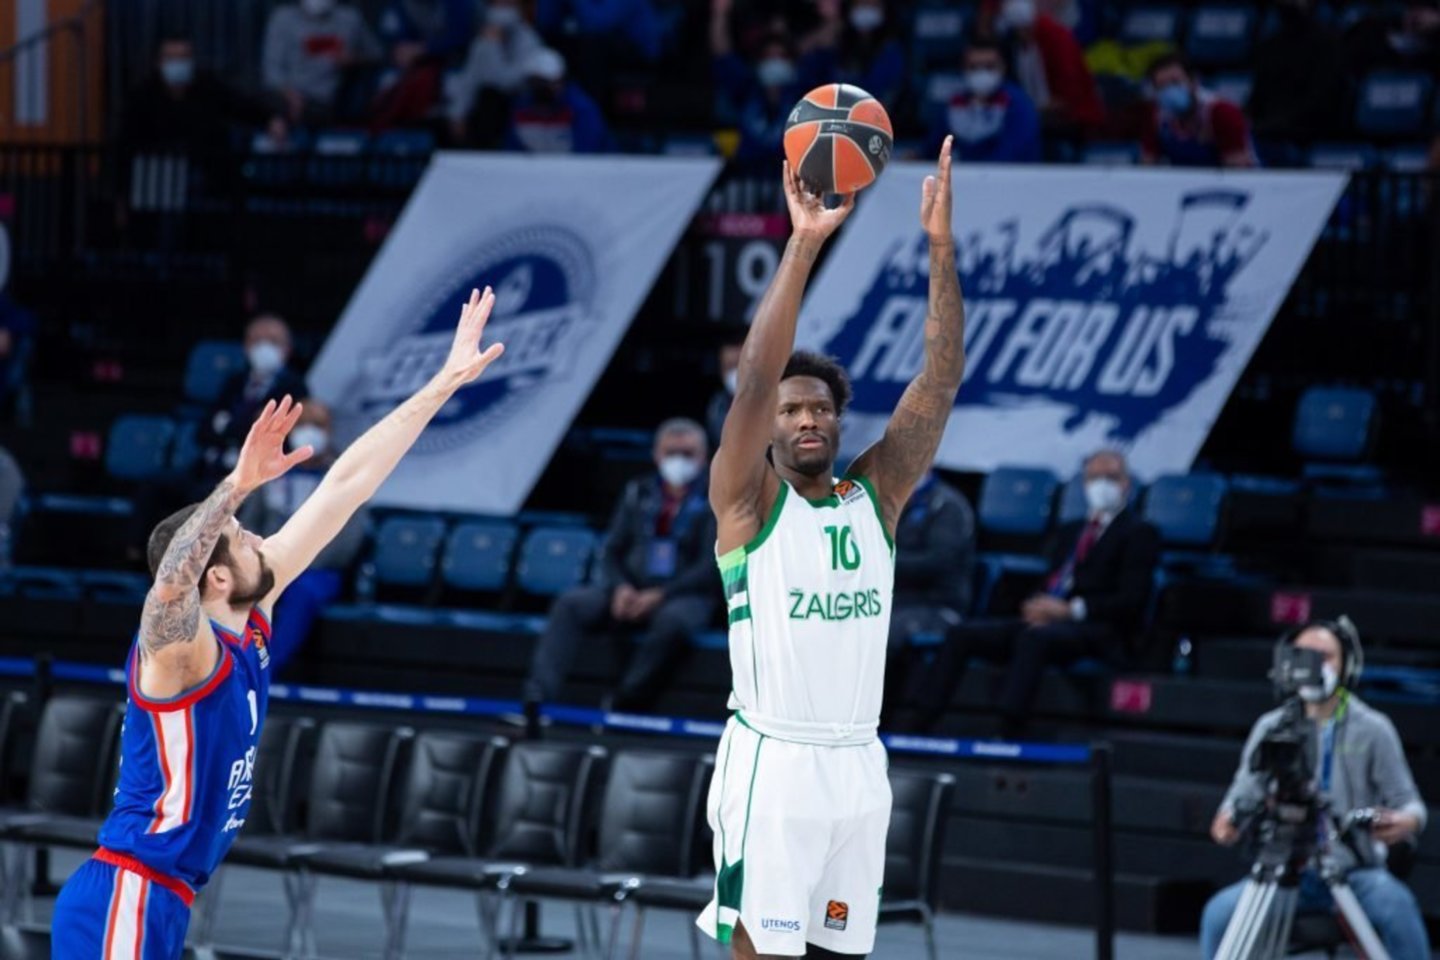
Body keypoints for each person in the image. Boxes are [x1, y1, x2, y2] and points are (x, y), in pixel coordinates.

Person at [50, 288, 505, 958]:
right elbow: (170, 583)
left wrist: (443, 383)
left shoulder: (252, 610)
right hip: (127, 891)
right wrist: (235, 486)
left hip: (164, 897)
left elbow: (345, 486)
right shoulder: (178, 653)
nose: (263, 538)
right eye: (244, 536)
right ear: (217, 577)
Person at [697, 137, 965, 958]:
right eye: (790, 411)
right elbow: (754, 378)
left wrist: (940, 249)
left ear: (839, 423)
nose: (806, 417)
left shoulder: (874, 496)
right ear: (769, 429)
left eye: (819, 408)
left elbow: (940, 382)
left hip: (857, 765)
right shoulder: (747, 502)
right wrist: (804, 243)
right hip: (774, 764)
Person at [1199, 619, 1430, 960]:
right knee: (1218, 916)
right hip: (1285, 872)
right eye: (1304, 656)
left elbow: (1411, 804)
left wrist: (1407, 821)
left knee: (1399, 909)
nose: (1314, 666)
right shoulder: (1272, 728)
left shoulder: (1373, 728)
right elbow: (1240, 796)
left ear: (1347, 664)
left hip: (1353, 872)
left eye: (1325, 656)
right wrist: (1227, 820)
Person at [893, 450, 1159, 735]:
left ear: (1126, 484)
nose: (1101, 485)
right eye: (1094, 478)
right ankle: (919, 723)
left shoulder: (1140, 533)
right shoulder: (1071, 531)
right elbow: (1053, 580)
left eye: (1111, 477)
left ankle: (1006, 729)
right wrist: (1037, 604)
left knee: (1033, 638)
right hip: (1051, 620)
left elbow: (1131, 600)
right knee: (963, 634)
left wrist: (1072, 610)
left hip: (1097, 627)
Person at [523, 419, 717, 712]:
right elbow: (611, 550)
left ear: (704, 457)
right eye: (671, 452)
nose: (679, 460)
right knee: (571, 604)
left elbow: (711, 564)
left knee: (674, 622)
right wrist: (621, 587)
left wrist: (661, 595)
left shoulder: (715, 498)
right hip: (630, 588)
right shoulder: (638, 492)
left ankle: (625, 702)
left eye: (687, 454)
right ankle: (537, 695)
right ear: (656, 455)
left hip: (682, 594)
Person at [235, 400, 365, 675]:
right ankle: (224, 662)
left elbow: (348, 540)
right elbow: (247, 523)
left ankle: (264, 671)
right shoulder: (270, 474)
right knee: (233, 585)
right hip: (266, 563)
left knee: (301, 593)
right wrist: (258, 558)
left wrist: (296, 562)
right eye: (302, 425)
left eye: (316, 425)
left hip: (317, 570)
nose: (309, 432)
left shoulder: (344, 477)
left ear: (329, 431)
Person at [120, 36, 286, 159]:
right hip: (160, 173)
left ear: (192, 60)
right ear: (159, 62)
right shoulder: (142, 97)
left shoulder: (207, 87)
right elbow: (126, 143)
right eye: (171, 58)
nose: (177, 63)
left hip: (207, 173)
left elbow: (240, 105)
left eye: (183, 57)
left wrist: (269, 119)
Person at [198, 315, 309, 481]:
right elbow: (204, 431)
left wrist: (229, 425)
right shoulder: (234, 382)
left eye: (273, 341)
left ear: (287, 349)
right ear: (246, 347)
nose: (264, 347)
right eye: (257, 341)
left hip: (263, 475)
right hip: (218, 469)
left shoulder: (295, 387)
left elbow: (285, 439)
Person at [988, 0, 1103, 138]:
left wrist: (1038, 107)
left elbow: (1072, 93)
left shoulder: (1057, 39)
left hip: (1070, 116)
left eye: (1026, 29)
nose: (1023, 34)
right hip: (1034, 112)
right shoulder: (1012, 45)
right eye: (1018, 31)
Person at [1246, 0, 1348, 148]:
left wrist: (1275, 125)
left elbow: (1322, 103)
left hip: (1308, 135)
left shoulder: (1328, 44)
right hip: (1267, 134)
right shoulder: (1269, 47)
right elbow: (1257, 99)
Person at [262, 0, 383, 125]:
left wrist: (353, 59)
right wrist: (289, 97)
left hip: (327, 101)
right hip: (286, 97)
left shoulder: (350, 19)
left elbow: (376, 54)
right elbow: (272, 71)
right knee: (266, 107)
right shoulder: (282, 19)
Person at [447, 0, 545, 145]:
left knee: (493, 98)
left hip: (519, 106)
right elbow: (470, 78)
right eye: (498, 4)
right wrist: (458, 114)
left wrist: (493, 47)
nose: (502, 10)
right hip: (488, 113)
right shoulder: (483, 40)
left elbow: (507, 83)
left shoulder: (530, 40)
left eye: (507, 5)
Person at [929, 39, 1042, 162]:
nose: (982, 73)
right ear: (963, 68)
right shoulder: (955, 102)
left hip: (1007, 172)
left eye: (989, 66)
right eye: (974, 67)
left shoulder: (1020, 105)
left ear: (1003, 67)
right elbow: (933, 148)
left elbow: (1012, 154)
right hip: (964, 170)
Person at [1142, 54, 1256, 169]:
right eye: (1162, 86)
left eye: (1175, 83)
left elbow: (1238, 170)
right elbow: (1148, 166)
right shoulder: (1156, 117)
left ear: (1194, 82)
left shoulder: (1223, 113)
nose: (1169, 91)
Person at [503, 48, 613, 154]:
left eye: (544, 82)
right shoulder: (521, 108)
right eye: (534, 82)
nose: (539, 89)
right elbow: (512, 151)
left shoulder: (581, 109)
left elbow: (585, 153)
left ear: (559, 81)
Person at [705, 327, 747, 450]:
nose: (736, 374)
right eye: (730, 367)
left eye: (740, 366)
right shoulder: (716, 407)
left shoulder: (777, 402)